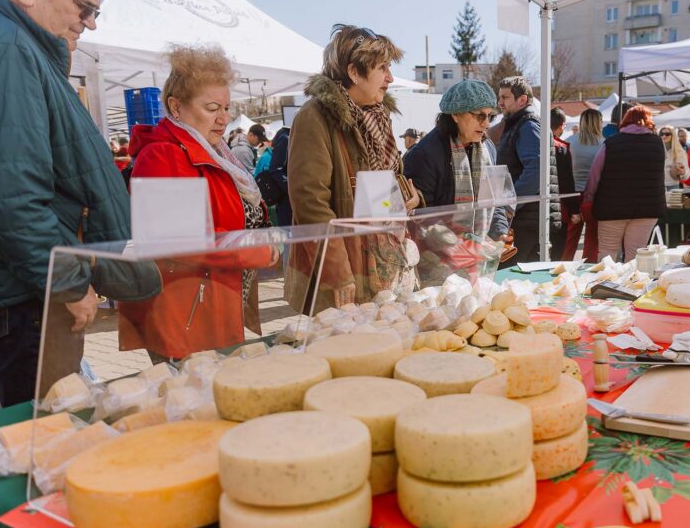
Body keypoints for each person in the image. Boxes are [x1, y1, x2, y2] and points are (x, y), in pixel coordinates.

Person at [0, 0, 131, 406]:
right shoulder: (5, 47)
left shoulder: (9, 43)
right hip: (31, 301)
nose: (90, 22)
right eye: (85, 7)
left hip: (28, 295)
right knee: (48, 433)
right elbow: (8, 195)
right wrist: (66, 281)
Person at [119, 44, 275, 360]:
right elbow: (183, 241)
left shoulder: (216, 152)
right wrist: (259, 249)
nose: (223, 119)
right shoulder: (162, 155)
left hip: (214, 300)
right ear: (176, 107)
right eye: (212, 107)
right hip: (185, 313)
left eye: (227, 108)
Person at [286, 24, 419, 311]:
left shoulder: (378, 117)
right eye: (382, 68)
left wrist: (404, 197)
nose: (390, 77)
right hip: (340, 274)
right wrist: (338, 272)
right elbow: (310, 201)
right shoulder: (314, 117)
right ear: (354, 72)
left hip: (380, 266)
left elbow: (379, 191)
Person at [402, 79, 506, 240]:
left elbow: (495, 198)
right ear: (456, 115)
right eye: (480, 115)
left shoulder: (489, 148)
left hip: (478, 248)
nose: (486, 124)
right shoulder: (424, 154)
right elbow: (421, 216)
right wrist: (458, 244)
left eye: (490, 116)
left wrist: (500, 232)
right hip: (437, 250)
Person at [583, 105, 666, 263]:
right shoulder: (658, 143)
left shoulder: (611, 143)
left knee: (607, 253)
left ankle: (605, 279)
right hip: (647, 209)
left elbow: (594, 175)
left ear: (625, 120)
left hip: (611, 208)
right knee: (635, 255)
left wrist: (588, 198)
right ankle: (634, 279)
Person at [495, 76, 558, 264]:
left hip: (527, 219)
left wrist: (510, 203)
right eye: (499, 97)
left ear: (522, 100)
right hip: (528, 217)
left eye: (505, 97)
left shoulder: (528, 125)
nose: (500, 102)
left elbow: (536, 169)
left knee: (513, 275)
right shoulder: (521, 123)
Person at [567, 108, 603, 262]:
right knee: (592, 237)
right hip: (594, 195)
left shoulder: (570, 141)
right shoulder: (603, 144)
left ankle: (563, 265)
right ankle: (589, 267)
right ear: (598, 122)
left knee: (570, 237)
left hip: (572, 194)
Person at [550, 108, 578, 260]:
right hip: (560, 209)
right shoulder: (561, 147)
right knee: (557, 253)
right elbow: (567, 180)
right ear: (562, 125)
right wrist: (574, 210)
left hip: (532, 209)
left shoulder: (532, 142)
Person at [658, 124, 690, 190]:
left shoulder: (679, 152)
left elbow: (687, 175)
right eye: (661, 134)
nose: (664, 136)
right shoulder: (656, 150)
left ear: (673, 135)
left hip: (672, 186)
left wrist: (682, 172)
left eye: (667, 134)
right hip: (657, 185)